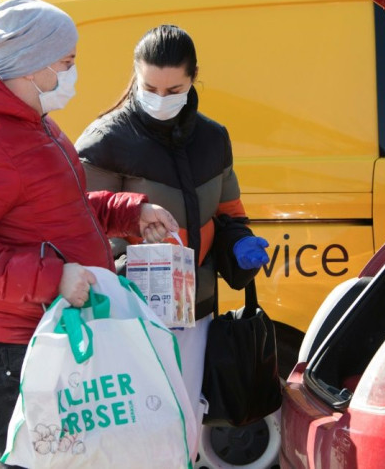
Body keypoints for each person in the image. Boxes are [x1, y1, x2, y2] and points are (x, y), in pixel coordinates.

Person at [0, 0, 178, 468]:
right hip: (9, 347)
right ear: (32, 65)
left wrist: (130, 211)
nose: (72, 73)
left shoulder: (33, 124)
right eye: (66, 63)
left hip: (45, 333)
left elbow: (61, 209)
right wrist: (51, 278)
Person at [75, 24, 270, 450]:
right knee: (138, 427)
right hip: (127, 313)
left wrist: (240, 244)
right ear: (135, 74)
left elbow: (229, 212)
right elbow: (77, 220)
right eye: (150, 87)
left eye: (173, 88)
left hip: (195, 309)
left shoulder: (213, 138)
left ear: (193, 78)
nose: (160, 99)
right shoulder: (106, 139)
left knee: (185, 418)